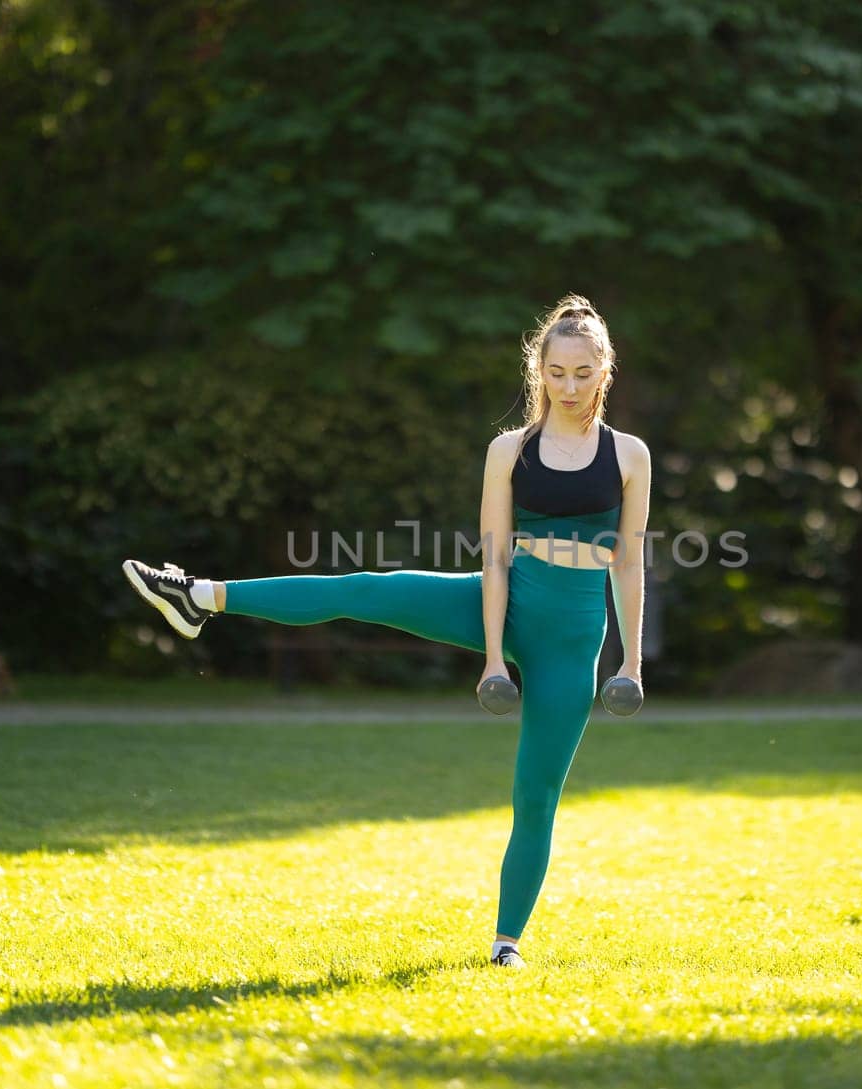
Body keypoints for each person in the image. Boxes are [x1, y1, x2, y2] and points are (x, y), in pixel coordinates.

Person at [121, 294, 651, 969]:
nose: (569, 387)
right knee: (364, 588)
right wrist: (492, 657)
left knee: (536, 795)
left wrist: (630, 663)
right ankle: (200, 596)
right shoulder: (509, 451)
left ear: (605, 370)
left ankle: (506, 942)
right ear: (538, 371)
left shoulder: (629, 455)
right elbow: (492, 556)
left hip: (573, 637)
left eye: (583, 372)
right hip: (508, 596)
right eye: (557, 372)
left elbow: (628, 560)